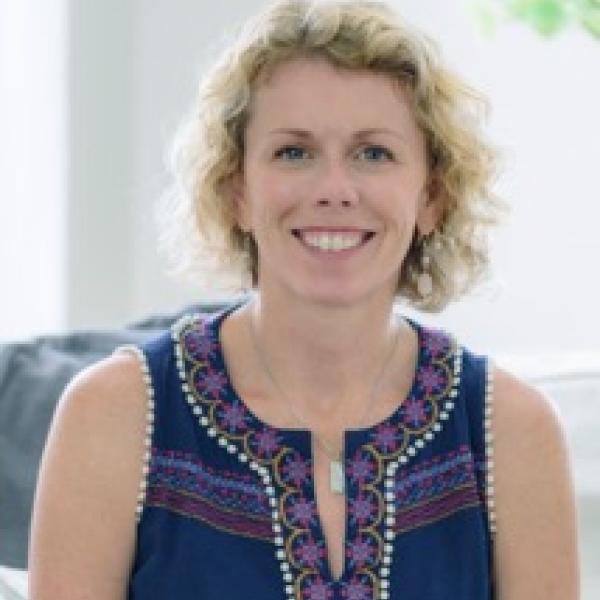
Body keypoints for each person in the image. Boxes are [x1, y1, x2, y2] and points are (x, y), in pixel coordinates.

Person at [28, 1, 580, 598]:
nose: (334, 190)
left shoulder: (512, 432)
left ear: (431, 197)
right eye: (294, 151)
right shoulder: (113, 416)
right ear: (236, 190)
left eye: (374, 153)